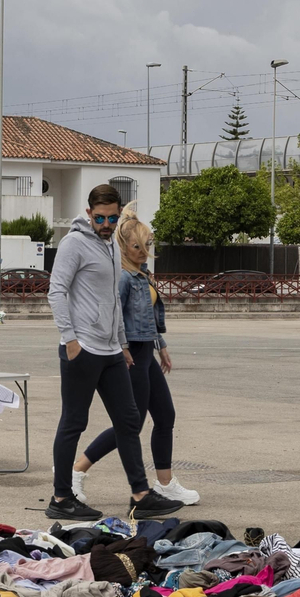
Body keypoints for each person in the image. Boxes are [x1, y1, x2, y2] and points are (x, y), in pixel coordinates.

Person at [46, 183, 182, 521]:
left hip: (111, 351)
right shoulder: (73, 244)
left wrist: (121, 343)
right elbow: (56, 291)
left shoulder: (109, 246)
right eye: (100, 217)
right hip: (82, 348)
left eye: (111, 218)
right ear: (89, 213)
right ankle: (61, 498)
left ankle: (141, 495)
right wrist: (70, 338)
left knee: (128, 419)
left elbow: (112, 302)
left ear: (118, 214)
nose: (106, 224)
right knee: (73, 422)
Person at [71, 202, 197, 507]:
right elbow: (114, 317)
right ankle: (74, 472)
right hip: (128, 355)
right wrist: (123, 350)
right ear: (124, 246)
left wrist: (161, 345)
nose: (144, 251)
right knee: (132, 423)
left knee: (165, 415)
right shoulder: (122, 278)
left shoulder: (143, 273)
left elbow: (151, 315)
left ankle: (165, 484)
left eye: (148, 245)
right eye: (137, 246)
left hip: (145, 350)